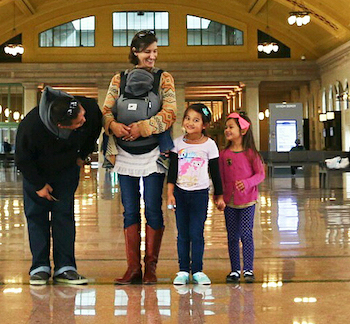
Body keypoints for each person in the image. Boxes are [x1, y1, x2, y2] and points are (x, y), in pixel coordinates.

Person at [102, 30, 177, 285]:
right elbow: (106, 110)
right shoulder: (118, 79)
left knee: (153, 209)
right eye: (148, 52)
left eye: (155, 51)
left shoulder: (164, 79)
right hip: (124, 154)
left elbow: (170, 112)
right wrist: (113, 126)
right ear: (135, 52)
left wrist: (142, 127)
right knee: (130, 211)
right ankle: (133, 267)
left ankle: (151, 268)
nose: (152, 56)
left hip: (154, 153)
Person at [15, 87, 101, 285]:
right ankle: (40, 267)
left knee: (63, 215)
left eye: (82, 115)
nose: (84, 121)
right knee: (37, 217)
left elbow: (95, 126)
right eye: (78, 122)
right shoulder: (32, 126)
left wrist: (82, 154)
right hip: (36, 170)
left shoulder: (88, 108)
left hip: (66, 170)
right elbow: (22, 158)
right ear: (60, 125)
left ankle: (65, 267)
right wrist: (38, 185)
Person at [166, 103, 224, 286]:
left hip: (200, 194)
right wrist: (170, 193)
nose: (190, 123)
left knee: (197, 233)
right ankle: (183, 270)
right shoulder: (177, 144)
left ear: (204, 125)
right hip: (181, 193)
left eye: (196, 120)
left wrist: (219, 195)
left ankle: (198, 270)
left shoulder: (210, 145)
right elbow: (172, 171)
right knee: (182, 233)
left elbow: (215, 172)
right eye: (188, 118)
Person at [219, 111, 265, 283]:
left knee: (246, 234)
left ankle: (248, 269)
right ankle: (234, 270)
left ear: (243, 131)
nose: (227, 130)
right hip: (229, 201)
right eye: (226, 127)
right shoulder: (224, 154)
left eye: (231, 127)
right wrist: (220, 197)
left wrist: (247, 183)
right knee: (232, 235)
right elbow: (222, 177)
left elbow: (260, 175)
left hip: (247, 200)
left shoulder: (251, 154)